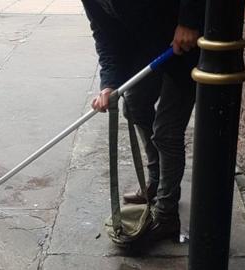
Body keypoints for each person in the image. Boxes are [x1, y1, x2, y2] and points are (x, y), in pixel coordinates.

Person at [82, 0, 205, 241]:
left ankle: (166, 214)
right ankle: (157, 182)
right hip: (149, 52)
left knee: (166, 133)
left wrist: (189, 21)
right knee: (135, 105)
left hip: (184, 48)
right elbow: (104, 35)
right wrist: (109, 84)